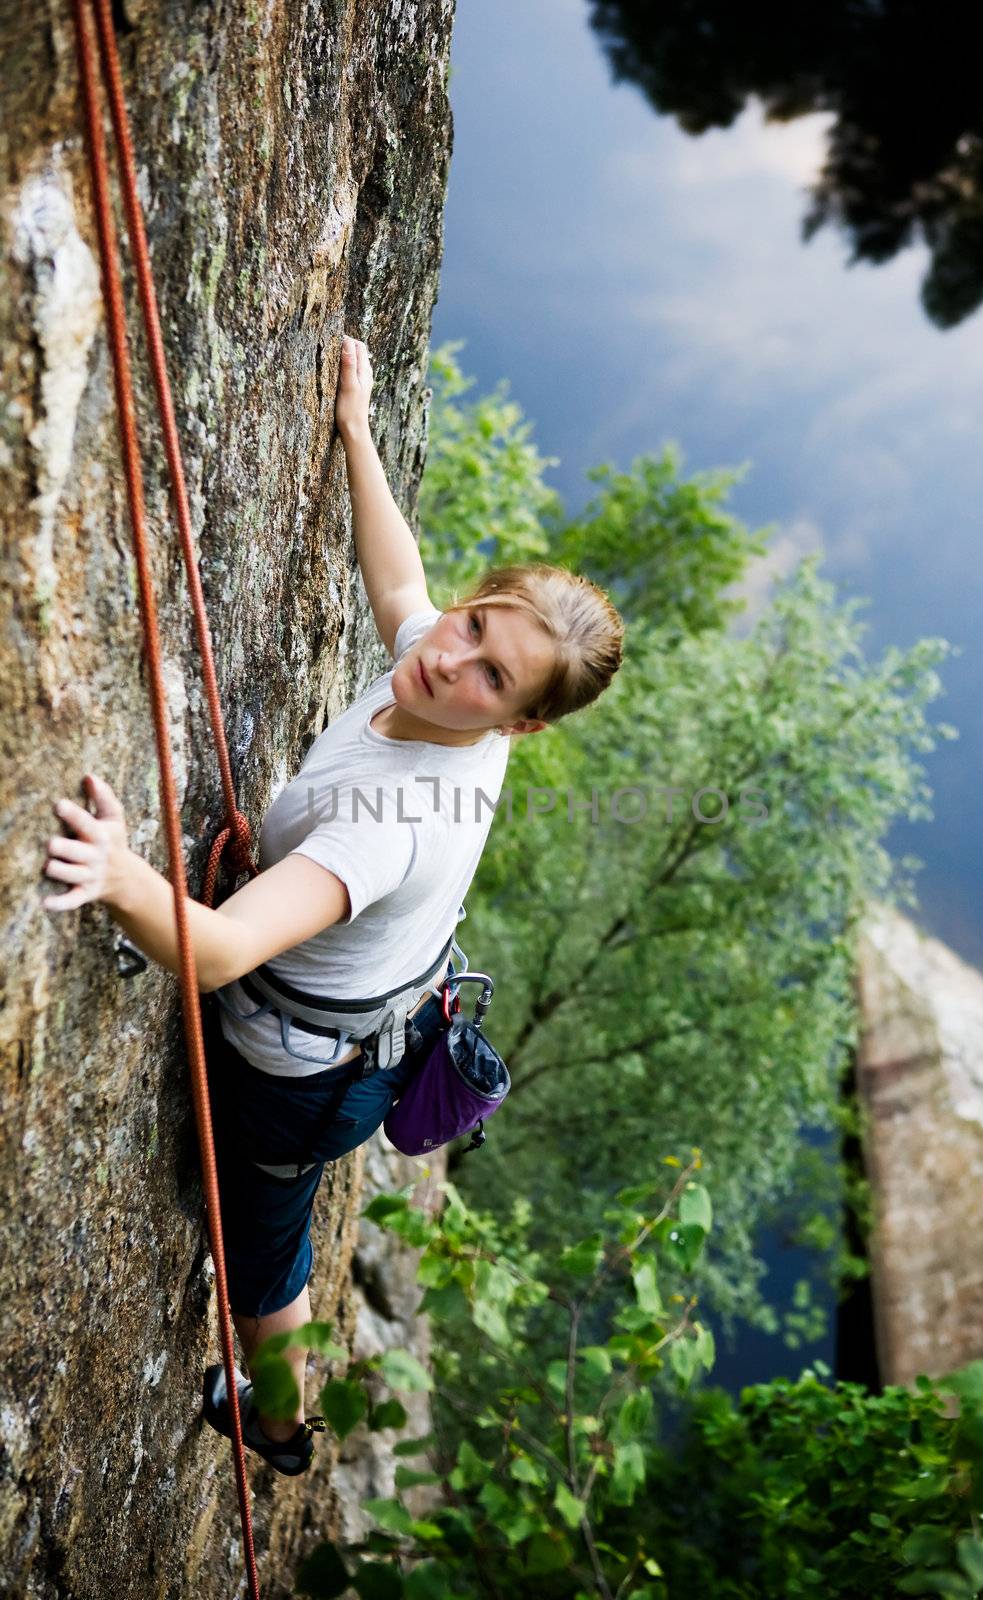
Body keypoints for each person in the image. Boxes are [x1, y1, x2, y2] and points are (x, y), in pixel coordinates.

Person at [41, 335, 624, 1475]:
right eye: (472, 626)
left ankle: (274, 1418)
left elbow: (212, 953)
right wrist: (357, 431)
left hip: (305, 1079)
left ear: (520, 726)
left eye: (492, 677)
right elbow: (400, 584)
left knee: (265, 1246)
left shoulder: (391, 821)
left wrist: (118, 874)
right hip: (367, 1020)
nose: (449, 661)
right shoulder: (443, 672)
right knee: (274, 1212)